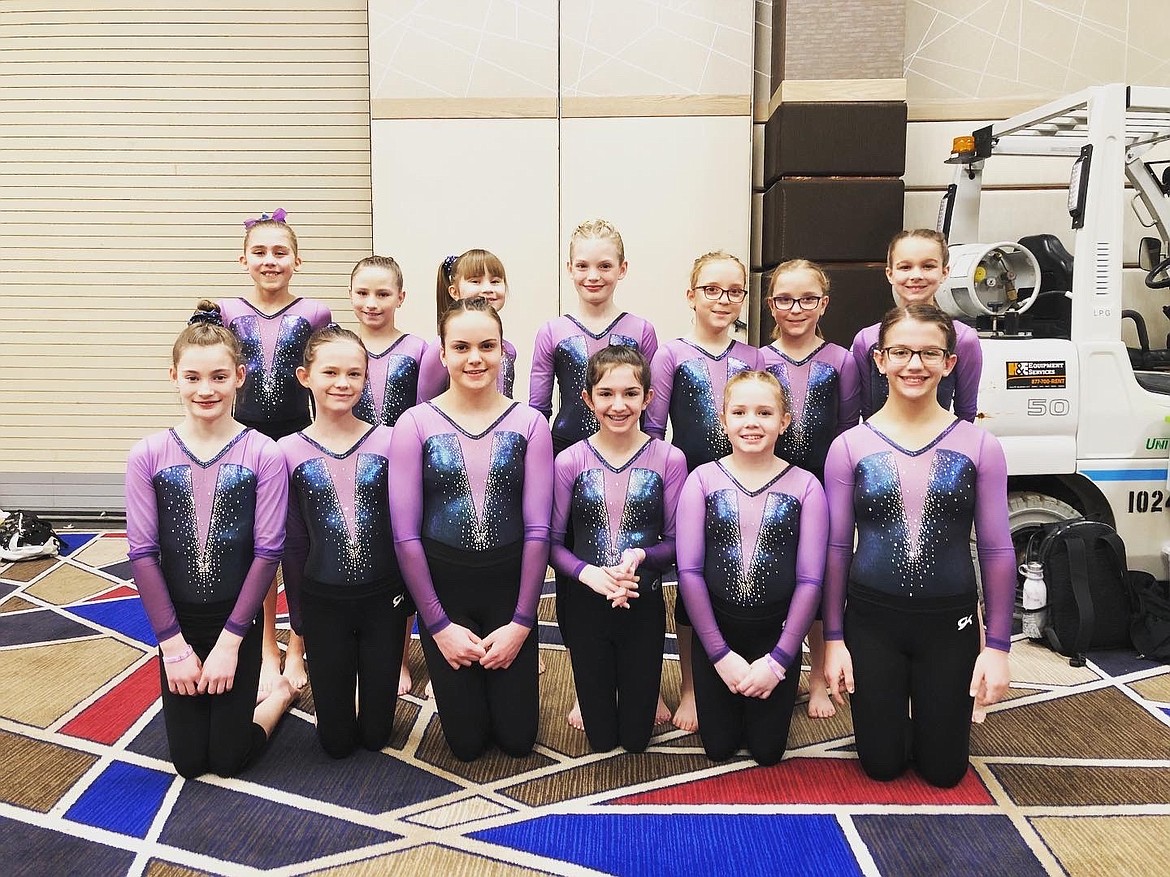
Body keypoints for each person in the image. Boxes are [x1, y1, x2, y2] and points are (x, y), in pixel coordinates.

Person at [823, 303, 1013, 788]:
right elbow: (837, 548)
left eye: (929, 353)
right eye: (901, 352)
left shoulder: (978, 445)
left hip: (949, 622)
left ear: (950, 363)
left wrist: (996, 647)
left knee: (944, 772)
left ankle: (934, 716)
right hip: (873, 620)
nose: (914, 364)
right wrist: (833, 640)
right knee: (881, 767)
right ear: (879, 359)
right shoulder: (850, 446)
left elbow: (995, 550)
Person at [125, 307, 295, 778]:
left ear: (240, 376)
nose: (206, 390)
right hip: (178, 620)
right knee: (188, 763)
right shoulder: (148, 454)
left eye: (219, 376)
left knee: (226, 760)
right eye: (194, 377)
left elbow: (267, 553)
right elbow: (142, 553)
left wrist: (230, 644)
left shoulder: (263, 452)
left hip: (234, 620)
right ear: (174, 376)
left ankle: (277, 695)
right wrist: (172, 646)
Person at [390, 296, 553, 760]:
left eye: (487, 345)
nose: (475, 358)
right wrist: (438, 626)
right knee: (465, 745)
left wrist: (522, 624)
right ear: (442, 353)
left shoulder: (529, 423)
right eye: (461, 347)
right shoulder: (416, 424)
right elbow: (406, 535)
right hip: (446, 587)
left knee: (518, 741)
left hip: (508, 588)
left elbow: (538, 531)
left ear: (503, 350)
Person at [675, 370, 826, 765]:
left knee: (767, 752)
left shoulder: (806, 485)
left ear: (784, 421)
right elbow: (689, 572)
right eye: (739, 412)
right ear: (723, 421)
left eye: (764, 412)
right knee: (718, 748)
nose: (751, 423)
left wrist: (779, 661)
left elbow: (811, 579)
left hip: (775, 636)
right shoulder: (702, 480)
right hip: (718, 633)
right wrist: (719, 654)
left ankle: (773, 675)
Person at [646, 250, 764, 733]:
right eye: (711, 290)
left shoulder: (754, 358)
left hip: (745, 485)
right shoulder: (671, 354)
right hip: (689, 485)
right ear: (690, 295)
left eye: (734, 291)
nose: (723, 299)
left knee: (733, 580)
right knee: (684, 582)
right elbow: (652, 430)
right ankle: (685, 686)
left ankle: (735, 674)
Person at [217, 209, 332, 696]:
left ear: (297, 260)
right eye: (259, 252)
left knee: (297, 543)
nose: (270, 261)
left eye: (280, 252)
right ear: (243, 259)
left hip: (298, 435)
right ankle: (266, 648)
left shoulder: (315, 313)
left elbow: (327, 373)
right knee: (260, 547)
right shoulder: (227, 312)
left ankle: (298, 646)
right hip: (246, 441)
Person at [550, 346, 688, 753]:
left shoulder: (669, 458)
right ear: (588, 399)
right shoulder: (569, 461)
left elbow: (676, 544)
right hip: (584, 604)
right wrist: (589, 574)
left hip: (641, 602)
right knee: (601, 738)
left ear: (648, 398)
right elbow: (553, 544)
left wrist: (641, 557)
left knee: (635, 739)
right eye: (606, 394)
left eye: (630, 393)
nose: (618, 405)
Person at [279, 325, 408, 758]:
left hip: (382, 599)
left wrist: (407, 597)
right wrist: (298, 610)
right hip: (323, 600)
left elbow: (404, 529)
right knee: (334, 742)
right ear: (304, 377)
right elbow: (294, 539)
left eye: (354, 374)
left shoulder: (390, 441)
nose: (342, 383)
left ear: (366, 378)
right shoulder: (287, 451)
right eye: (330, 372)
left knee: (376, 737)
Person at [760, 259, 860, 719]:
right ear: (770, 304)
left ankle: (818, 677)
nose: (795, 309)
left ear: (824, 303)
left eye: (806, 299)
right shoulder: (758, 360)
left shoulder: (841, 361)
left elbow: (844, 431)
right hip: (766, 484)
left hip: (821, 484)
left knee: (818, 581)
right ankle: (773, 658)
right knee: (771, 575)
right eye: (784, 299)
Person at [347, 255, 427, 697]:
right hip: (347, 466)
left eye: (382, 294)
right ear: (350, 295)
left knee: (400, 556)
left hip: (400, 467)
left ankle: (398, 655)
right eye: (363, 293)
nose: (372, 303)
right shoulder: (337, 345)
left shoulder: (418, 350)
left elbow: (422, 416)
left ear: (401, 296)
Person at [530, 219, 658, 456]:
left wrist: (652, 457)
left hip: (630, 451)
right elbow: (538, 410)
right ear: (569, 268)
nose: (593, 276)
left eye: (604, 266)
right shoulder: (552, 332)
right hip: (564, 449)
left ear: (622, 269)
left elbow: (652, 415)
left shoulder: (641, 331)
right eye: (582, 266)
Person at [852, 229, 982, 422]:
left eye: (928, 266)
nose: (916, 275)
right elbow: (867, 412)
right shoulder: (866, 340)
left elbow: (966, 414)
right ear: (890, 273)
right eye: (905, 267)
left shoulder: (964, 340)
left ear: (944, 272)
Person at [417, 249, 518, 401]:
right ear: (454, 292)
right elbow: (425, 404)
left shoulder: (508, 349)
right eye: (475, 281)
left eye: (495, 281)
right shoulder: (439, 348)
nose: (487, 289)